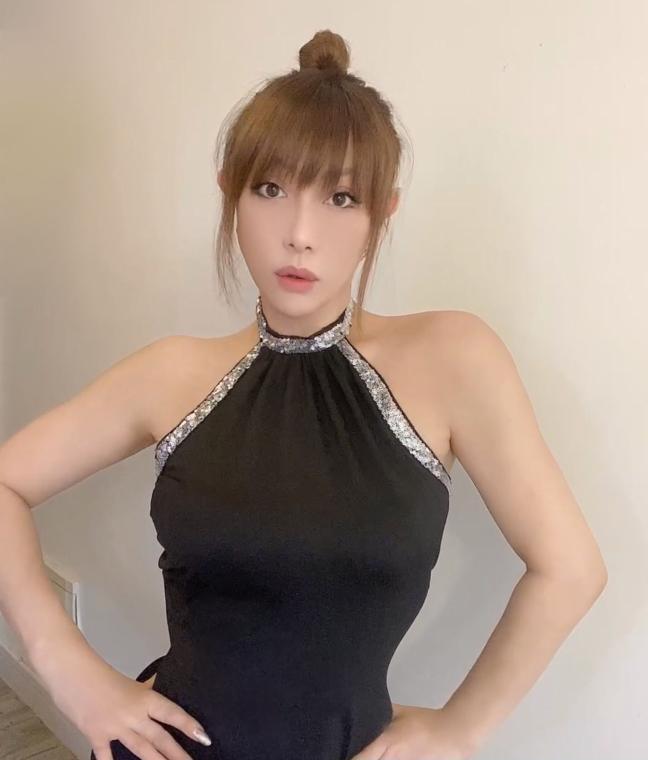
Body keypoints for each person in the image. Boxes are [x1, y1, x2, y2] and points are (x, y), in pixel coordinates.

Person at [0, 28, 607, 760]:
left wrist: (461, 728)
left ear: (383, 212)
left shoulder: (453, 359)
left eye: (341, 198)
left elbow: (570, 569)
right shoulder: (170, 374)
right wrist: (64, 665)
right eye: (270, 189)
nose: (300, 233)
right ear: (230, 190)